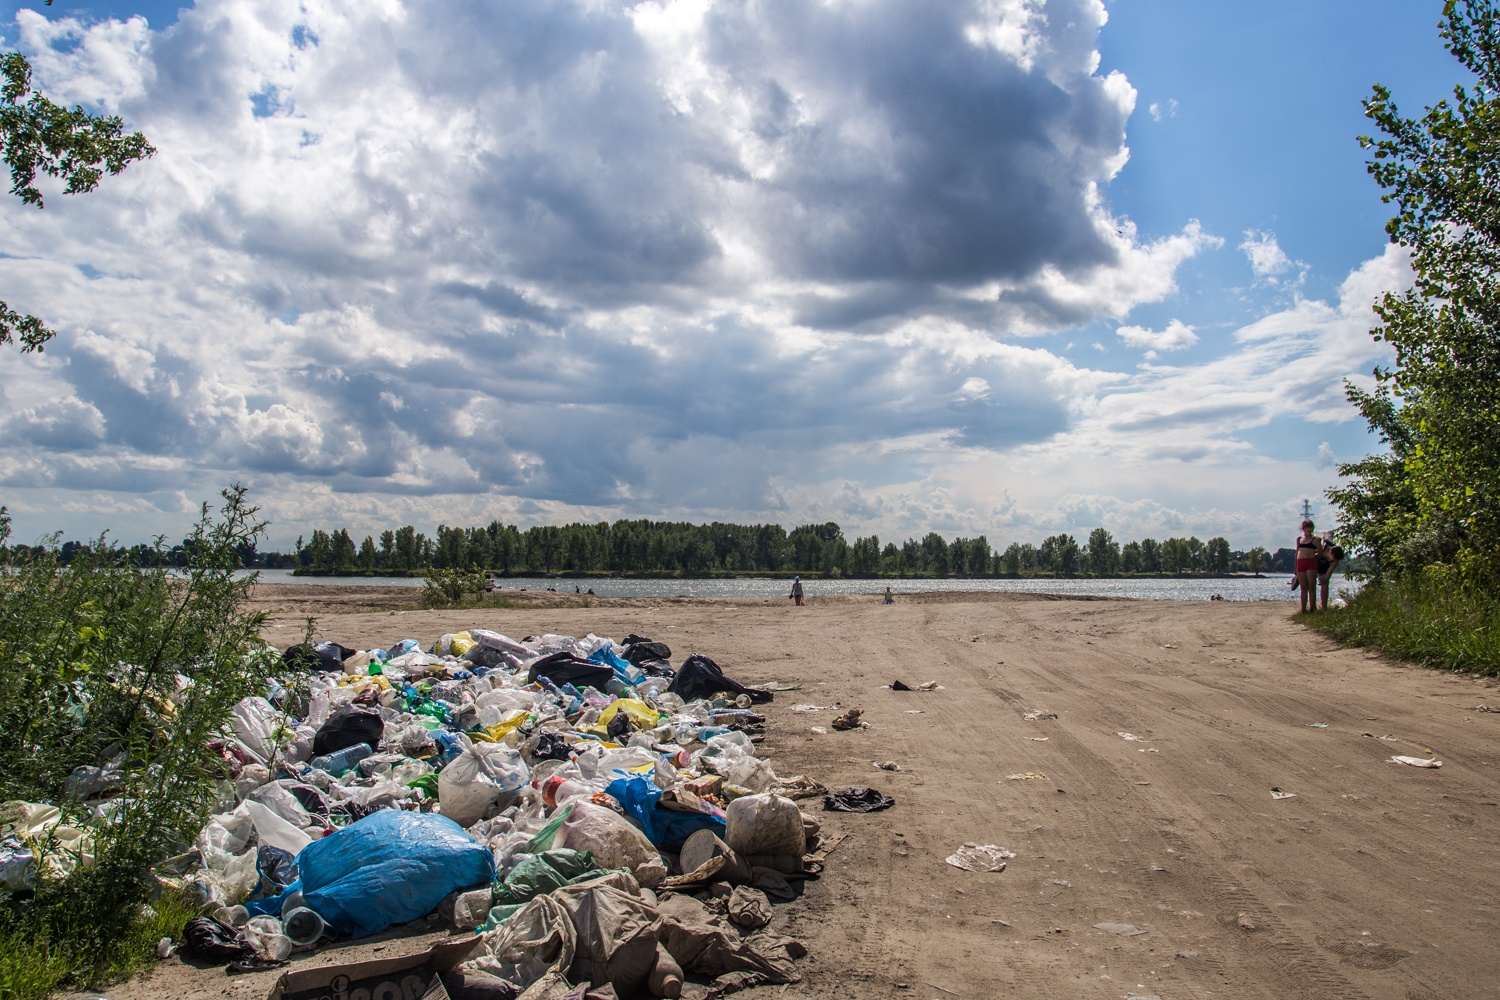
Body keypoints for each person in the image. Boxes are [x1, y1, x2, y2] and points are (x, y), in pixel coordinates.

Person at [1293, 519, 1320, 612]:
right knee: (1303, 587)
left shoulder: (1315, 540)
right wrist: (1295, 567)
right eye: (1307, 527)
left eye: (1310, 527)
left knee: (1311, 587)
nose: (1309, 529)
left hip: (1311, 563)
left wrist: (1313, 555)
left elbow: (1320, 553)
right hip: (1300, 563)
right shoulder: (1299, 539)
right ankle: (1303, 609)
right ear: (1303, 528)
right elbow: (1297, 552)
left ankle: (1313, 608)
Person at [1318, 540, 1344, 611]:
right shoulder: (1322, 548)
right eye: (1332, 557)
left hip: (1325, 565)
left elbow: (1329, 572)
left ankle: (1324, 607)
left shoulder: (1336, 558)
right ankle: (1312, 607)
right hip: (1316, 559)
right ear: (1329, 551)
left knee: (1325, 584)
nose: (1333, 559)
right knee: (1311, 582)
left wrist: (1325, 579)